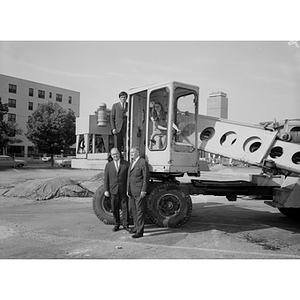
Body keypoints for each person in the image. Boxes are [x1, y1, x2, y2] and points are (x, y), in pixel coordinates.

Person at [104, 148, 130, 232]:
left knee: (125, 207)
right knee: (114, 207)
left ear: (120, 153)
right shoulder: (108, 165)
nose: (115, 155)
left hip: (123, 189)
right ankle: (117, 224)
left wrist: (128, 189)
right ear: (111, 155)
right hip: (113, 189)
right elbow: (106, 178)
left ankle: (126, 224)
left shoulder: (126, 164)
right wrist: (106, 190)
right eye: (113, 154)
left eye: (116, 154)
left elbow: (129, 178)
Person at [127, 147, 150, 238]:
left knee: (140, 211)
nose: (131, 154)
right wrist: (127, 190)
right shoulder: (132, 162)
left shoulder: (142, 162)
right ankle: (136, 227)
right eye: (130, 152)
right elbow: (129, 178)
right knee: (133, 211)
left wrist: (144, 190)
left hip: (139, 191)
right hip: (131, 191)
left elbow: (145, 177)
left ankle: (140, 231)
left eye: (133, 152)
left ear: (138, 153)